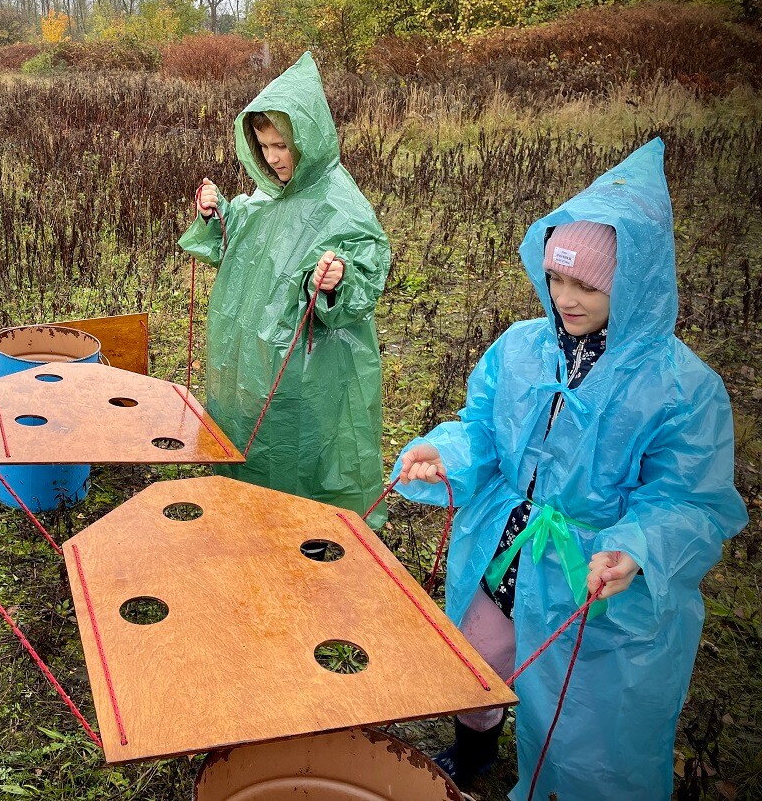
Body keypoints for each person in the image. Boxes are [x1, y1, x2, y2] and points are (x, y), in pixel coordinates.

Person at [393, 139, 747, 799]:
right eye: (556, 279)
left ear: (633, 285)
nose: (565, 299)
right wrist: (447, 455)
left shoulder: (681, 389)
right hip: (504, 549)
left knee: (582, 722)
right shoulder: (520, 349)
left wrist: (636, 548)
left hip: (589, 573)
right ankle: (473, 754)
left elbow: (689, 500)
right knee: (478, 657)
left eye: (587, 285)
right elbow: (480, 432)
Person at [180, 51, 391, 526]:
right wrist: (218, 216)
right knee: (250, 440)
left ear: (307, 139)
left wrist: (337, 282)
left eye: (280, 145)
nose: (272, 158)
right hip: (251, 367)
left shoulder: (341, 204)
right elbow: (244, 240)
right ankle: (248, 511)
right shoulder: (270, 192)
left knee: (303, 456)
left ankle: (309, 533)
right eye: (263, 145)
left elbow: (364, 269)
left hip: (310, 373)